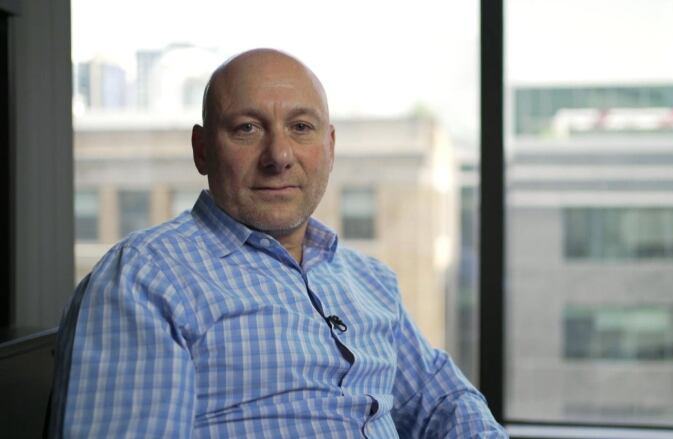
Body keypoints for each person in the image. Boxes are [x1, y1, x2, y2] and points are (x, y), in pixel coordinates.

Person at [48, 48, 506, 438]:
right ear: (203, 149)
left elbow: (443, 400)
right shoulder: (143, 279)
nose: (279, 156)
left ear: (329, 147)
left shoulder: (370, 280)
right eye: (247, 128)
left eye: (301, 128)